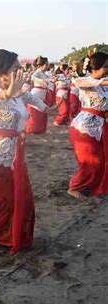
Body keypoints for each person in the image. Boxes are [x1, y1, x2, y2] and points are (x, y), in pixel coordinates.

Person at [0, 48, 48, 253]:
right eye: (16, 69)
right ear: (1, 73)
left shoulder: (18, 95)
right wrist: (6, 93)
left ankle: (15, 237)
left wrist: (35, 100)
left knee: (23, 199)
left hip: (15, 155)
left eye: (20, 68)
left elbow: (37, 103)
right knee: (1, 201)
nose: (20, 72)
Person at [67, 51, 108, 199]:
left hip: (100, 126)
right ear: (94, 67)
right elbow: (84, 82)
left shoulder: (104, 85)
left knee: (102, 160)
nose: (107, 69)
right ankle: (75, 187)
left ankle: (92, 186)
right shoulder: (83, 81)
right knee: (91, 160)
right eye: (105, 66)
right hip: (83, 127)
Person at [26, 55, 52, 134]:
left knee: (41, 112)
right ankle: (33, 129)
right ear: (42, 65)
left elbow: (49, 79)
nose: (47, 66)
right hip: (37, 92)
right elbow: (32, 77)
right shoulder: (37, 72)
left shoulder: (44, 73)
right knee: (36, 112)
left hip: (42, 93)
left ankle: (39, 129)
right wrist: (41, 81)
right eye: (46, 64)